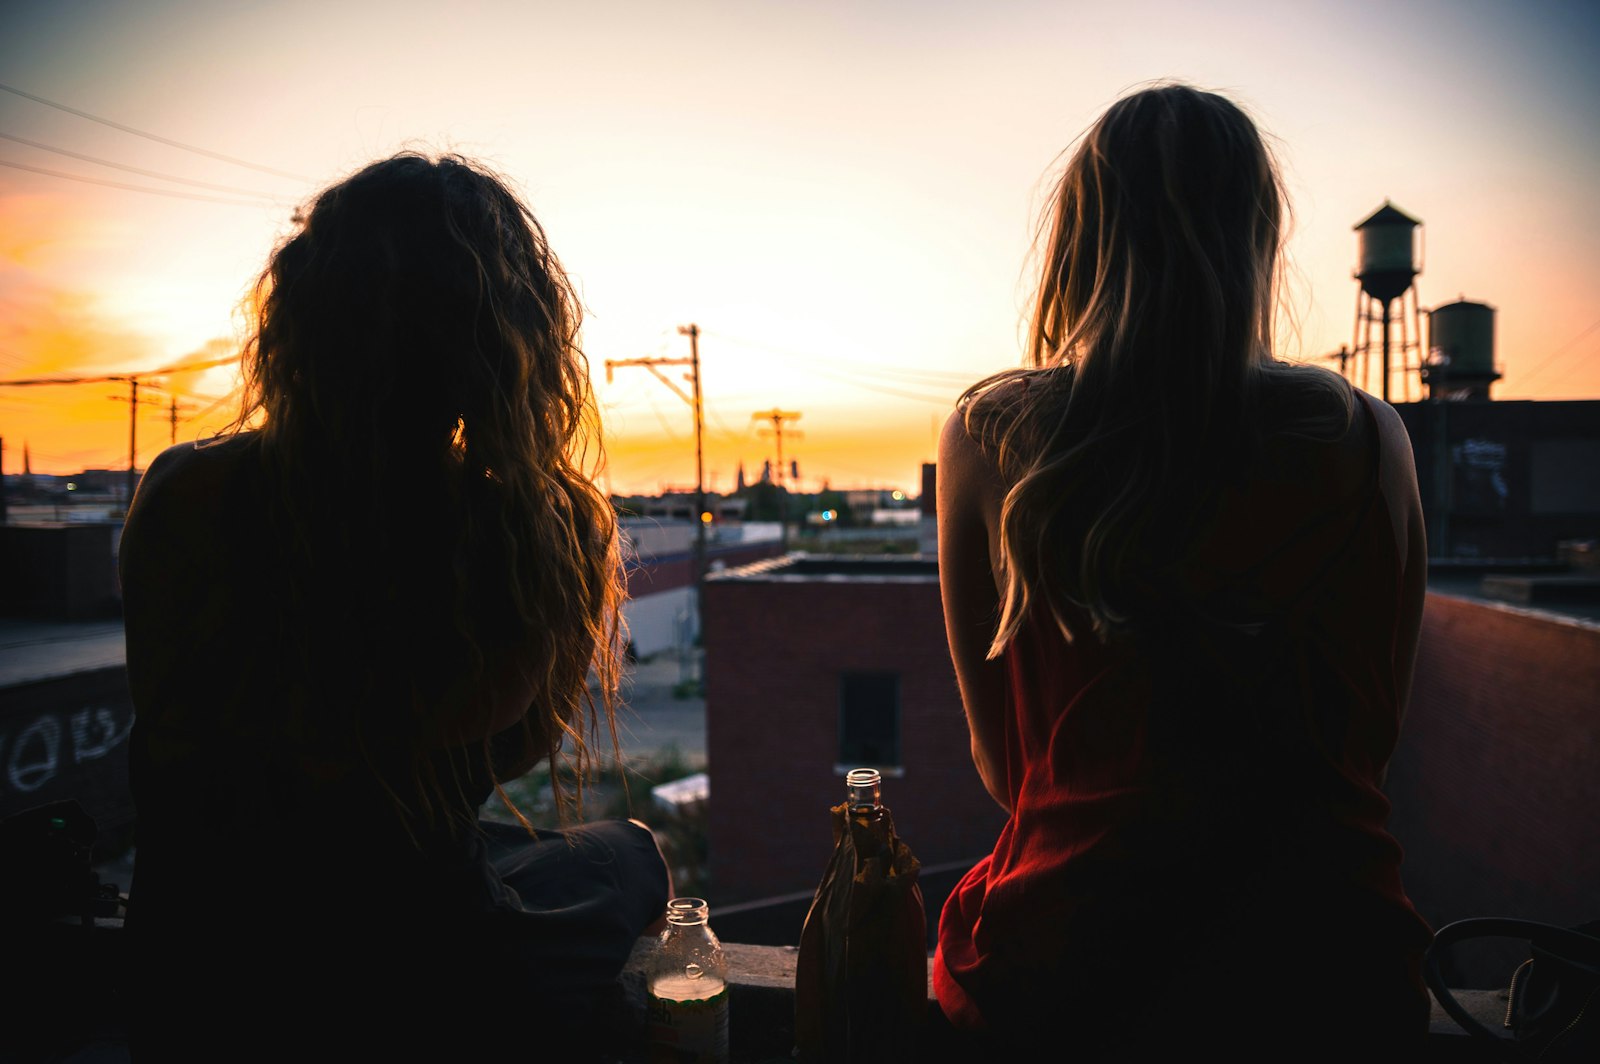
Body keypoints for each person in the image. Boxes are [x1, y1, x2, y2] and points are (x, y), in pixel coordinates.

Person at [119, 154, 668, 1057]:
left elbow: (172, 729)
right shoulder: (541, 530)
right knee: (634, 851)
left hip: (193, 977)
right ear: (508, 342)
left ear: (301, 317)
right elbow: (506, 756)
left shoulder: (188, 492)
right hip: (424, 979)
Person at [932, 85, 1433, 1059]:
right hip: (1331, 967)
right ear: (1258, 238)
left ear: (1081, 239)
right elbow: (1367, 741)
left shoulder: (995, 434)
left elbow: (1009, 772)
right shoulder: (1369, 437)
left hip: (1069, 968)